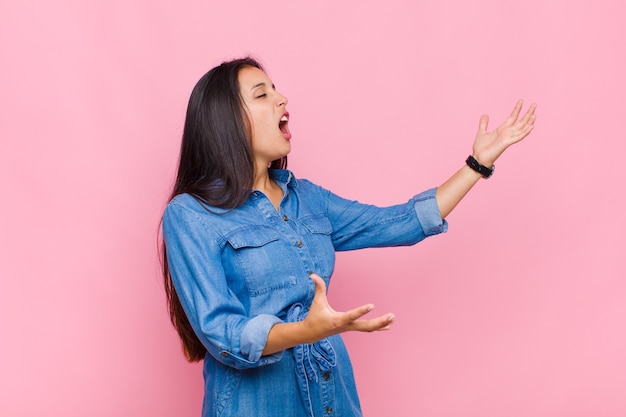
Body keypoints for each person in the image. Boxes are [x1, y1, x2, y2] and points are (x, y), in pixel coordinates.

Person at [161, 57, 536, 417]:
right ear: (225, 121)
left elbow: (399, 222)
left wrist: (477, 164)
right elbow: (222, 333)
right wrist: (305, 331)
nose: (281, 99)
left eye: (276, 89)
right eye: (262, 94)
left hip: (331, 395)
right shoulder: (190, 215)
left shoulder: (307, 198)